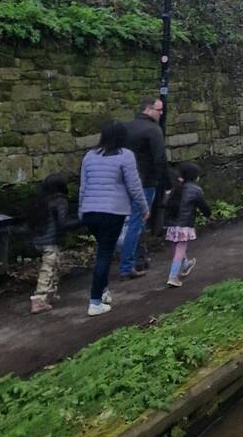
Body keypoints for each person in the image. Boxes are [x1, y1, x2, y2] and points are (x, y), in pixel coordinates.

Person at [79, 121, 148, 316]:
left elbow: (83, 186)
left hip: (90, 212)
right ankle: (94, 302)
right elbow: (134, 186)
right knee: (105, 255)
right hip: (112, 212)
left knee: (103, 250)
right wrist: (144, 207)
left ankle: (102, 291)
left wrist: (81, 211)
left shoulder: (89, 156)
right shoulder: (125, 156)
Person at [117, 95, 168, 279]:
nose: (161, 113)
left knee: (127, 221)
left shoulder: (125, 128)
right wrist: (165, 185)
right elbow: (160, 159)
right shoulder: (153, 130)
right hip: (145, 182)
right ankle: (127, 266)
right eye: (158, 110)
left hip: (123, 181)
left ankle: (139, 257)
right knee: (136, 223)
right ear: (147, 109)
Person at [28, 173, 72, 315]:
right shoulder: (60, 201)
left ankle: (49, 294)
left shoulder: (39, 200)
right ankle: (39, 299)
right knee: (48, 267)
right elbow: (62, 223)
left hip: (38, 239)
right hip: (50, 240)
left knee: (54, 264)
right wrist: (83, 221)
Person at [162, 162, 210, 288]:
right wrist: (208, 214)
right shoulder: (195, 190)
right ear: (195, 177)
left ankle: (185, 264)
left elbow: (166, 203)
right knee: (180, 249)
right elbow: (203, 205)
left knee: (175, 246)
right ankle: (173, 276)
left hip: (171, 224)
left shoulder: (176, 187)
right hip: (184, 224)